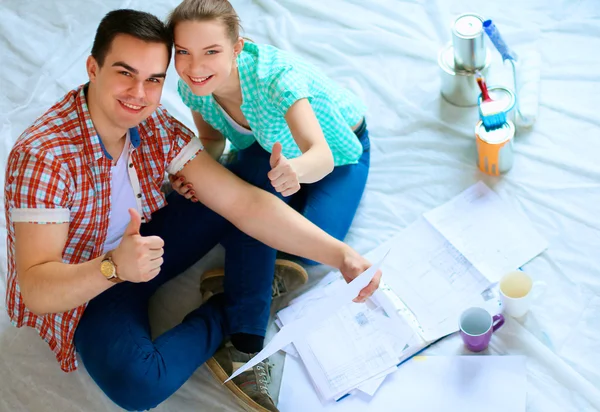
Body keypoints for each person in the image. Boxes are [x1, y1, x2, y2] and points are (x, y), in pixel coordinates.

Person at [3, 9, 380, 412]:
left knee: (252, 173)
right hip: (88, 283)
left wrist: (341, 257)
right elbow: (36, 290)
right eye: (125, 73)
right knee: (139, 385)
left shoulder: (154, 124)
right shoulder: (43, 157)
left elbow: (244, 203)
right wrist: (112, 267)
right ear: (93, 67)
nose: (138, 93)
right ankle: (228, 308)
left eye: (153, 79)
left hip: (149, 238)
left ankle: (244, 316)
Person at [166, 0, 371, 280]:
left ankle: (268, 272)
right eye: (183, 52)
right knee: (231, 219)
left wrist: (295, 170)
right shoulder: (191, 88)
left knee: (311, 248)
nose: (195, 67)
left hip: (339, 151)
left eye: (211, 51)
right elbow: (211, 138)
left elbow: (321, 155)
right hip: (268, 148)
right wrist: (192, 171)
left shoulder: (276, 79)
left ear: (236, 47)